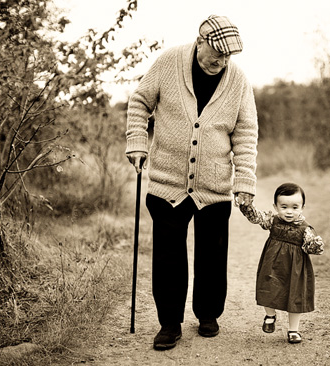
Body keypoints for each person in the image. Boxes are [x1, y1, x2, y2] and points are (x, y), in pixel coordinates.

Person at [124, 14, 258, 351]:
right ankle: (169, 323)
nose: (221, 61)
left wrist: (245, 181)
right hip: (166, 181)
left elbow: (245, 134)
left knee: (212, 255)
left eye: (227, 56)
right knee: (168, 256)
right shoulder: (169, 62)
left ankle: (208, 314)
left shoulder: (238, 80)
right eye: (216, 54)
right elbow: (140, 101)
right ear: (200, 41)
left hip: (214, 186)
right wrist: (137, 141)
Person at [238, 182, 324, 344]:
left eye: (295, 207)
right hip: (272, 264)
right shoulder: (273, 220)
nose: (289, 212)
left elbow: (312, 247)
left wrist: (315, 245)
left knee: (295, 295)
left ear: (302, 207)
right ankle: (270, 315)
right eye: (284, 207)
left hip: (295, 268)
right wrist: (246, 206)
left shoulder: (305, 229)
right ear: (276, 206)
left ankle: (293, 330)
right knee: (267, 288)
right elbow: (257, 217)